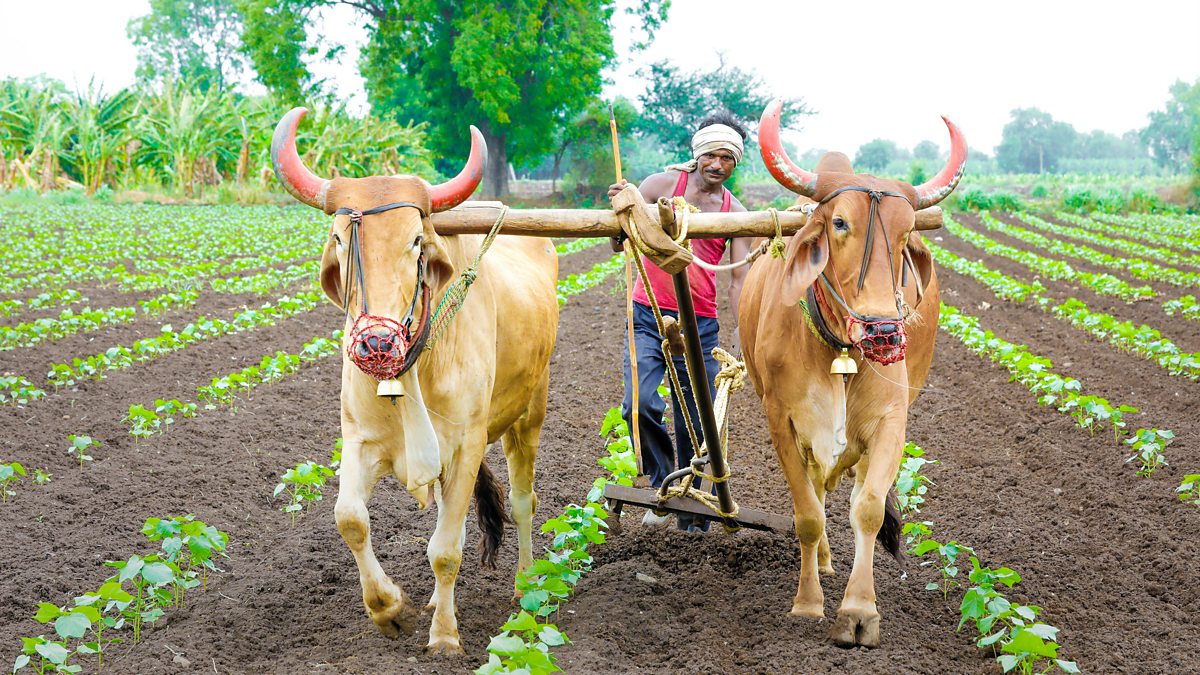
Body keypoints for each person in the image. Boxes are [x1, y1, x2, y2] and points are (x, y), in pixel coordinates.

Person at [607, 113, 751, 532]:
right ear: (697, 153)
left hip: (701, 325)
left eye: (727, 158)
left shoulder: (735, 212)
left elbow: (740, 277)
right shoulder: (657, 187)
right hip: (648, 316)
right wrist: (620, 208)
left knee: (698, 419)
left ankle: (692, 520)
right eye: (711, 154)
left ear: (735, 164)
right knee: (639, 404)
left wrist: (740, 334)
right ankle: (661, 486)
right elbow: (618, 242)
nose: (717, 164)